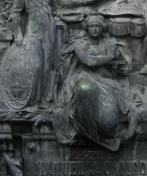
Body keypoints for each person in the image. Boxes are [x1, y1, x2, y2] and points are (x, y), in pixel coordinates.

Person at [55, 12, 135, 150]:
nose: (95, 29)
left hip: (106, 84)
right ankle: (81, 125)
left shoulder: (109, 43)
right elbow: (89, 61)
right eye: (92, 26)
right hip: (84, 78)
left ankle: (102, 134)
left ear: (102, 27)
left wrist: (119, 62)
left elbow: (121, 66)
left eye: (98, 26)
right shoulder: (78, 44)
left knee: (109, 123)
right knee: (85, 89)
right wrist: (110, 57)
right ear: (87, 27)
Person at [9, 0, 57, 104]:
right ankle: (30, 100)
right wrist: (18, 35)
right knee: (35, 65)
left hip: (49, 32)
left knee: (48, 65)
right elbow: (15, 14)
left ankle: (43, 100)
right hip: (33, 32)